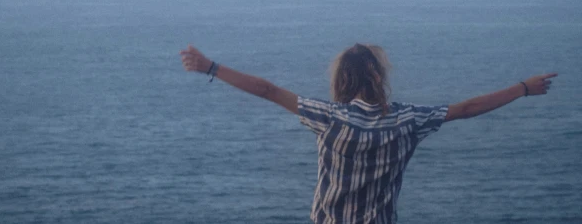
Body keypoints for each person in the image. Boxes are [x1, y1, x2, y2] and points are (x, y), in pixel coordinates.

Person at [180, 42, 557, 224]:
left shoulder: (329, 117)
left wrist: (210, 66)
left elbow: (267, 90)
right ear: (378, 77)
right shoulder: (409, 121)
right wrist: (523, 87)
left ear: (343, 80)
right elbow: (467, 108)